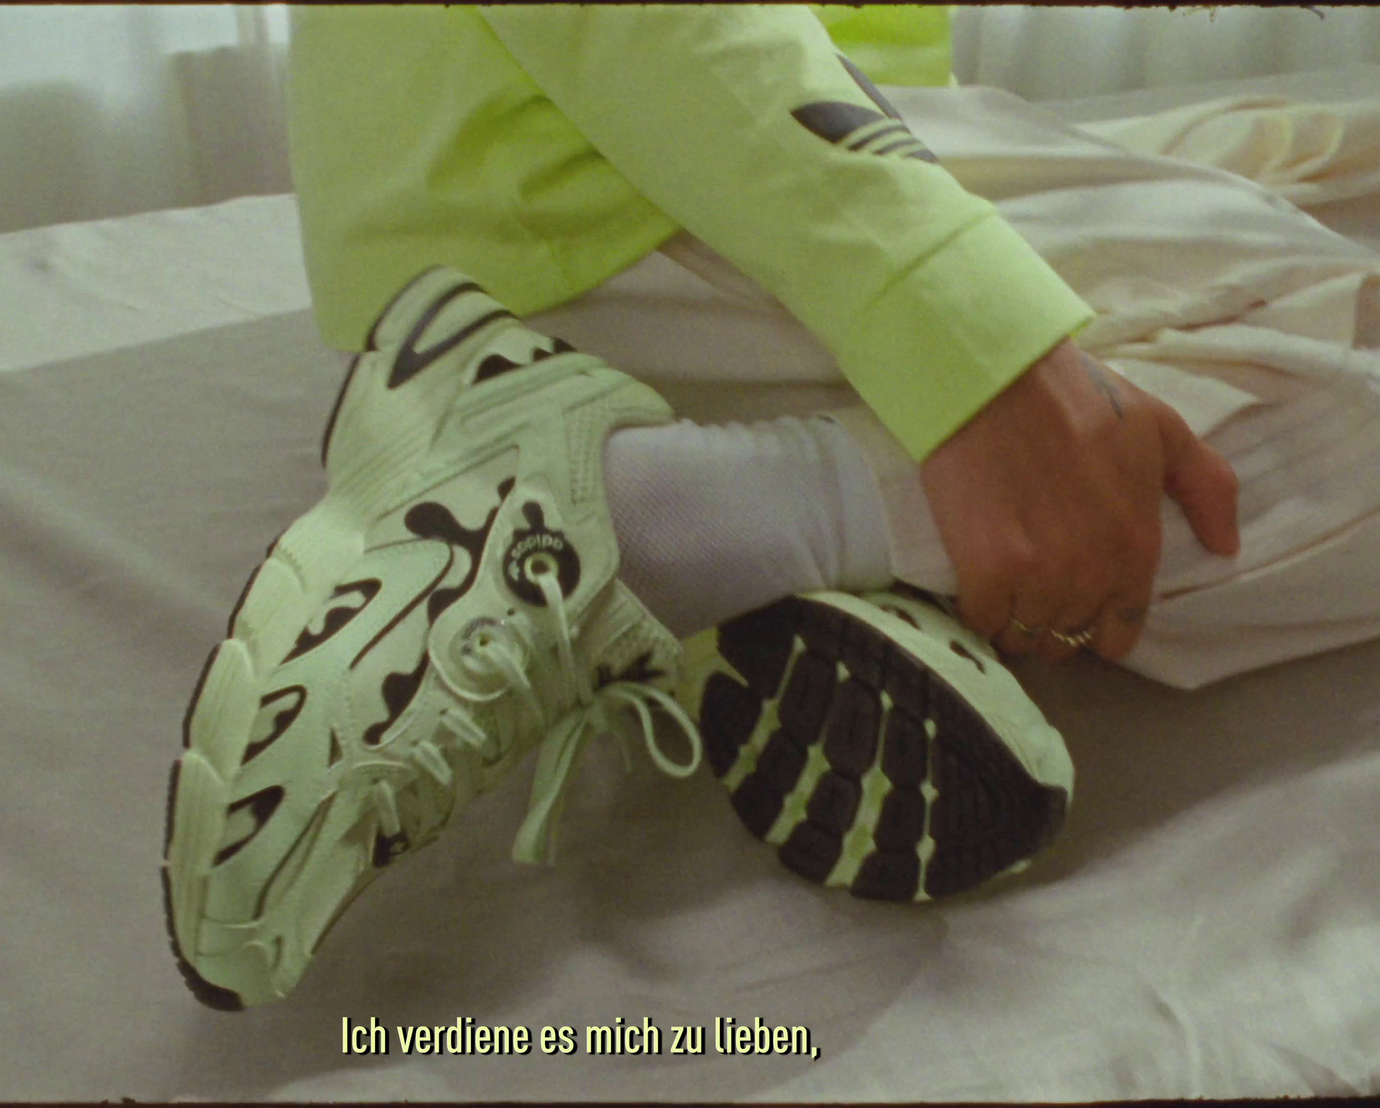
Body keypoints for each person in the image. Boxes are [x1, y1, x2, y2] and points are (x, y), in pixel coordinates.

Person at [161, 6, 1380, 1010]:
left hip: (592, 213)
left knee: (1280, 210)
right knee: (1331, 345)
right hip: (629, 181)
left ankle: (768, 525)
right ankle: (653, 528)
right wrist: (967, 344)